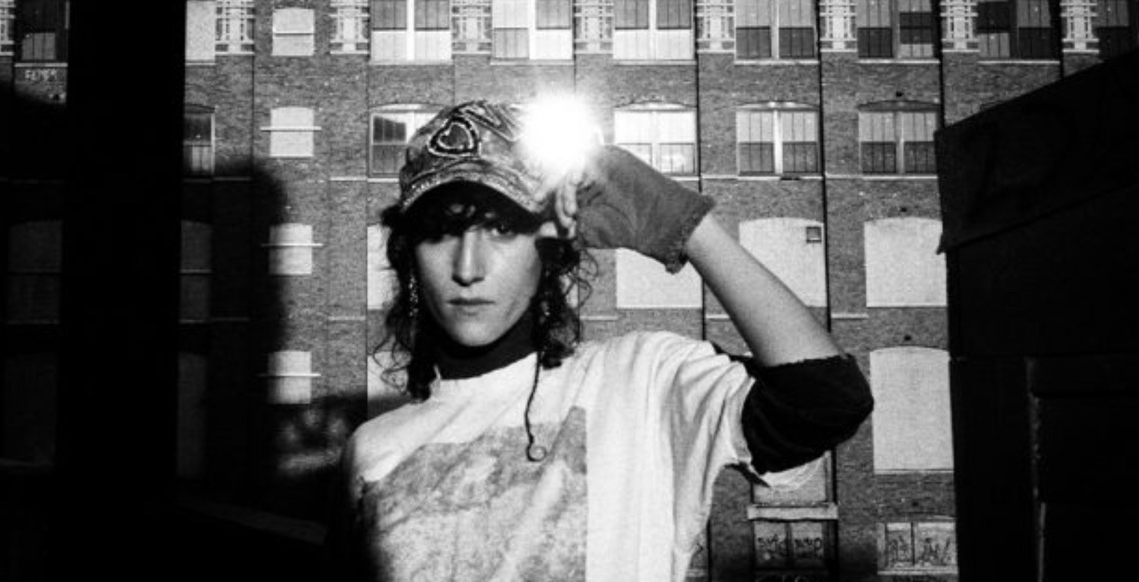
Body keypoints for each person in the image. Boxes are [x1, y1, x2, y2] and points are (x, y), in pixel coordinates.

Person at [330, 99, 873, 581]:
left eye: (502, 228)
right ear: (409, 255)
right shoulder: (372, 451)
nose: (467, 268)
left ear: (549, 247)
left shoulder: (641, 382)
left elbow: (826, 400)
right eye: (440, 232)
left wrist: (684, 225)